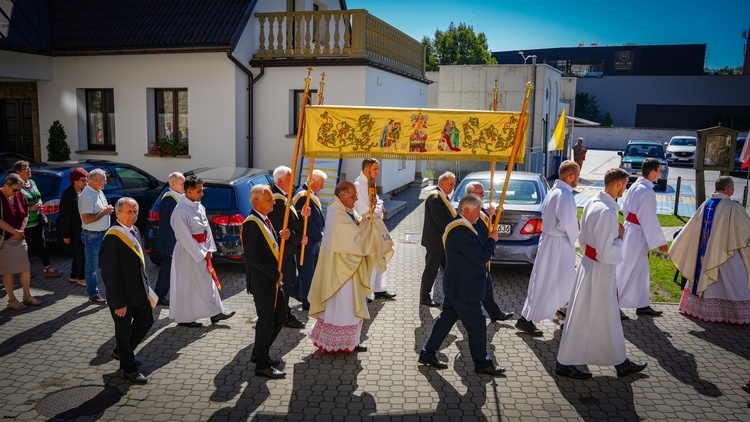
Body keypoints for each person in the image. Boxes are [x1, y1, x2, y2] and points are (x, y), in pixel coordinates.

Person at [556, 168, 647, 379]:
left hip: (589, 267)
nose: (625, 188)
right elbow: (607, 252)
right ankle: (565, 363)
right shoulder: (607, 212)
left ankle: (619, 361)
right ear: (618, 184)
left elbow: (584, 239)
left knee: (604, 318)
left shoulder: (592, 203)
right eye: (625, 184)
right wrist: (621, 238)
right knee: (588, 317)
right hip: (599, 272)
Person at [418, 195, 506, 376]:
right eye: (476, 211)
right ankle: (482, 362)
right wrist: (492, 240)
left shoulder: (463, 226)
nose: (478, 214)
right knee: (478, 325)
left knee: (446, 320)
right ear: (466, 210)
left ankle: (427, 353)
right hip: (464, 288)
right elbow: (480, 258)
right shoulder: (461, 231)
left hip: (458, 285)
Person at [308, 181, 393, 353]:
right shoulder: (336, 214)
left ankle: (348, 342)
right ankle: (337, 343)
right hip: (341, 273)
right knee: (343, 305)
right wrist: (367, 228)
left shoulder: (344, 209)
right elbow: (355, 238)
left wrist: (367, 219)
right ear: (342, 196)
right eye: (353, 196)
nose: (356, 199)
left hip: (348, 268)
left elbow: (356, 225)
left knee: (348, 305)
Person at [670, 176, 750, 325]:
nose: (733, 190)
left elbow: (691, 229)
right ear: (728, 189)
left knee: (708, 280)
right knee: (735, 281)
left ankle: (699, 310)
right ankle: (737, 316)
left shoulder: (706, 204)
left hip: (705, 254)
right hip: (727, 254)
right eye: (732, 187)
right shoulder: (733, 207)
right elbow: (746, 229)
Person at [517, 160, 580, 336]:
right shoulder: (565, 195)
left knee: (561, 282)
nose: (579, 180)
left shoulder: (554, 191)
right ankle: (526, 319)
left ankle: (563, 317)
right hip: (558, 244)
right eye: (578, 176)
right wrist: (578, 232)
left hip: (551, 242)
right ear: (571, 176)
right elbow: (566, 223)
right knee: (548, 282)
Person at [98, 198, 155, 384]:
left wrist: (147, 289)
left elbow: (140, 265)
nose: (133, 215)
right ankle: (128, 369)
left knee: (146, 320)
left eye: (135, 211)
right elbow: (110, 275)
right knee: (122, 331)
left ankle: (123, 353)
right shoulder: (112, 238)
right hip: (122, 296)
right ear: (118, 213)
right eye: (129, 212)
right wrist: (119, 302)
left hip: (138, 291)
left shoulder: (135, 230)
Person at [168, 175, 234, 328]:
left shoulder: (199, 206)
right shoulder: (180, 211)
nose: (202, 194)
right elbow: (184, 237)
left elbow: (206, 230)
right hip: (188, 254)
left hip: (203, 250)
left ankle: (215, 312)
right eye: (199, 191)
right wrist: (200, 253)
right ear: (189, 192)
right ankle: (185, 318)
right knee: (189, 285)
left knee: (207, 283)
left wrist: (209, 248)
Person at [242, 184, 291, 379]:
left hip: (272, 281)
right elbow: (254, 258)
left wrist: (281, 238)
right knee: (266, 322)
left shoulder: (263, 220)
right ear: (256, 202)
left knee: (280, 317)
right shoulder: (251, 224)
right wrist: (275, 274)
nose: (273, 202)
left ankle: (259, 352)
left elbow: (269, 248)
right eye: (269, 199)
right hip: (264, 283)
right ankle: (262, 365)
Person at [615, 158, 668, 318]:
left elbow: (627, 209)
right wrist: (660, 242)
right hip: (637, 233)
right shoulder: (647, 191)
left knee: (641, 270)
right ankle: (612, 305)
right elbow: (649, 218)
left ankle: (642, 303)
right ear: (652, 172)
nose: (660, 173)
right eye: (659, 170)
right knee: (625, 269)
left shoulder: (636, 186)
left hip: (634, 230)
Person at [464, 182, 513, 322]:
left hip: (482, 254)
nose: (484, 196)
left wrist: (491, 214)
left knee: (486, 285)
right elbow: (477, 235)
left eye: (483, 193)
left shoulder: (479, 210)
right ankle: (490, 313)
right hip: (476, 256)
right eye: (481, 193)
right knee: (480, 285)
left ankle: (494, 313)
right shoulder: (469, 212)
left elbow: (487, 226)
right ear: (470, 195)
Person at [269, 166, 307, 329]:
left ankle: (282, 312)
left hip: (288, 250)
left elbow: (289, 218)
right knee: (283, 283)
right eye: (290, 179)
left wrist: (301, 214)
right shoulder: (276, 200)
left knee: (288, 281)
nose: (293, 183)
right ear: (280, 181)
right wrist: (299, 238)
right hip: (281, 252)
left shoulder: (283, 196)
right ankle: (284, 316)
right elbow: (281, 229)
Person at [353, 158, 396, 300]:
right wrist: (378, 209)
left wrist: (379, 206)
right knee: (371, 259)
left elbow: (377, 201)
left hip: (375, 226)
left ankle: (379, 289)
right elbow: (365, 210)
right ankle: (366, 293)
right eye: (375, 169)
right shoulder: (358, 185)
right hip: (366, 228)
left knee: (380, 255)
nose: (378, 172)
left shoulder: (371, 183)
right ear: (366, 169)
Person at [13, 161, 62, 278]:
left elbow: (38, 196)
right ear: (17, 172)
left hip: (37, 221)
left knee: (41, 244)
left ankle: (47, 268)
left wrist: (39, 204)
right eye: (26, 169)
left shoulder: (32, 182)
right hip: (24, 223)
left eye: (29, 168)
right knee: (24, 248)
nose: (29, 170)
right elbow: (14, 207)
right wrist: (31, 208)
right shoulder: (16, 186)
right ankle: (24, 271)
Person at [0, 174, 39, 310]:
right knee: (8, 271)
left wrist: (21, 230)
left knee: (25, 268)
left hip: (19, 239)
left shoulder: (19, 195)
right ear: (6, 185)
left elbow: (26, 213)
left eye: (19, 190)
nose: (17, 192)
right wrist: (14, 231)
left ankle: (27, 296)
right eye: (15, 189)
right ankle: (11, 300)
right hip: (4, 241)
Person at [419, 171, 456, 307]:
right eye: (451, 184)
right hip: (436, 242)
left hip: (441, 241)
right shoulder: (435, 198)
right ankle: (424, 297)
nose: (453, 187)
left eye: (454, 184)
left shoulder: (441, 196)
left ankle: (453, 295)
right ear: (442, 183)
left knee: (450, 269)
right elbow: (441, 222)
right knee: (431, 270)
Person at [293, 169, 327, 311]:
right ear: (312, 182)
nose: (323, 187)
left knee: (311, 270)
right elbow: (307, 223)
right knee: (307, 272)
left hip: (313, 241)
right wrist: (320, 236)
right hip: (307, 242)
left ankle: (301, 293)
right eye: (321, 184)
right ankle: (307, 300)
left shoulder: (310, 194)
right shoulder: (303, 197)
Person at [79, 168, 114, 304]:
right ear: (94, 180)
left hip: (102, 234)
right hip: (92, 236)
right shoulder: (87, 195)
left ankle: (107, 290)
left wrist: (107, 209)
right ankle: (93, 293)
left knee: (105, 264)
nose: (105, 183)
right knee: (92, 266)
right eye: (103, 180)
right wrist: (104, 212)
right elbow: (87, 219)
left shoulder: (98, 191)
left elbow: (100, 209)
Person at [154, 172, 185, 306]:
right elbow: (167, 226)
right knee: (168, 269)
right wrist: (171, 247)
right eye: (182, 183)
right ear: (173, 184)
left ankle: (159, 295)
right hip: (170, 243)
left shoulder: (177, 197)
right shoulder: (169, 200)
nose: (184, 186)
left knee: (167, 269)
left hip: (175, 242)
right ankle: (159, 295)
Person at [59, 167, 89, 287]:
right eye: (83, 180)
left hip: (81, 227)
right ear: (75, 180)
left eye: (86, 180)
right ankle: (81, 277)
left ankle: (73, 275)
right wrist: (65, 235)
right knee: (80, 252)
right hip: (73, 229)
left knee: (78, 253)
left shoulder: (82, 191)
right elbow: (65, 216)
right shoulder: (68, 194)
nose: (85, 183)